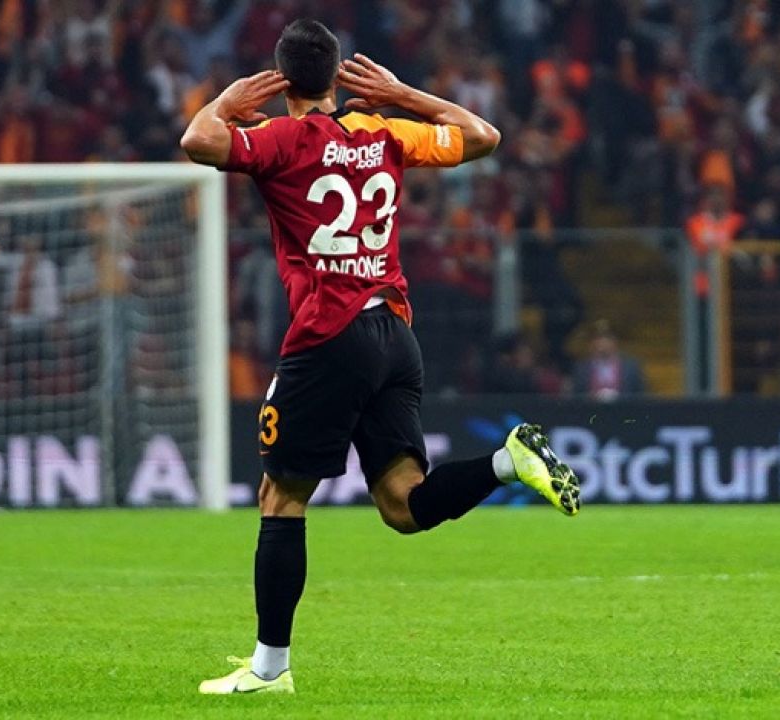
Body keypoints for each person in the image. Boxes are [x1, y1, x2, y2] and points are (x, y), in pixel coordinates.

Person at [181, 19, 580, 695]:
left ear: (281, 82)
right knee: (403, 505)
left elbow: (197, 141)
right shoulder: (383, 132)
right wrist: (404, 95)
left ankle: (270, 669)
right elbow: (484, 136)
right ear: (337, 77)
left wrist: (227, 100)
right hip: (394, 334)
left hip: (329, 335)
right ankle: (507, 461)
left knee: (281, 497)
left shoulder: (280, 138)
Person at [572, 321, 646, 401]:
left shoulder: (631, 367)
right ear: (592, 344)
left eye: (607, 339)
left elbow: (641, 395)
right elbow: (575, 396)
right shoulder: (581, 368)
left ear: (615, 342)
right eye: (598, 339)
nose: (602, 344)